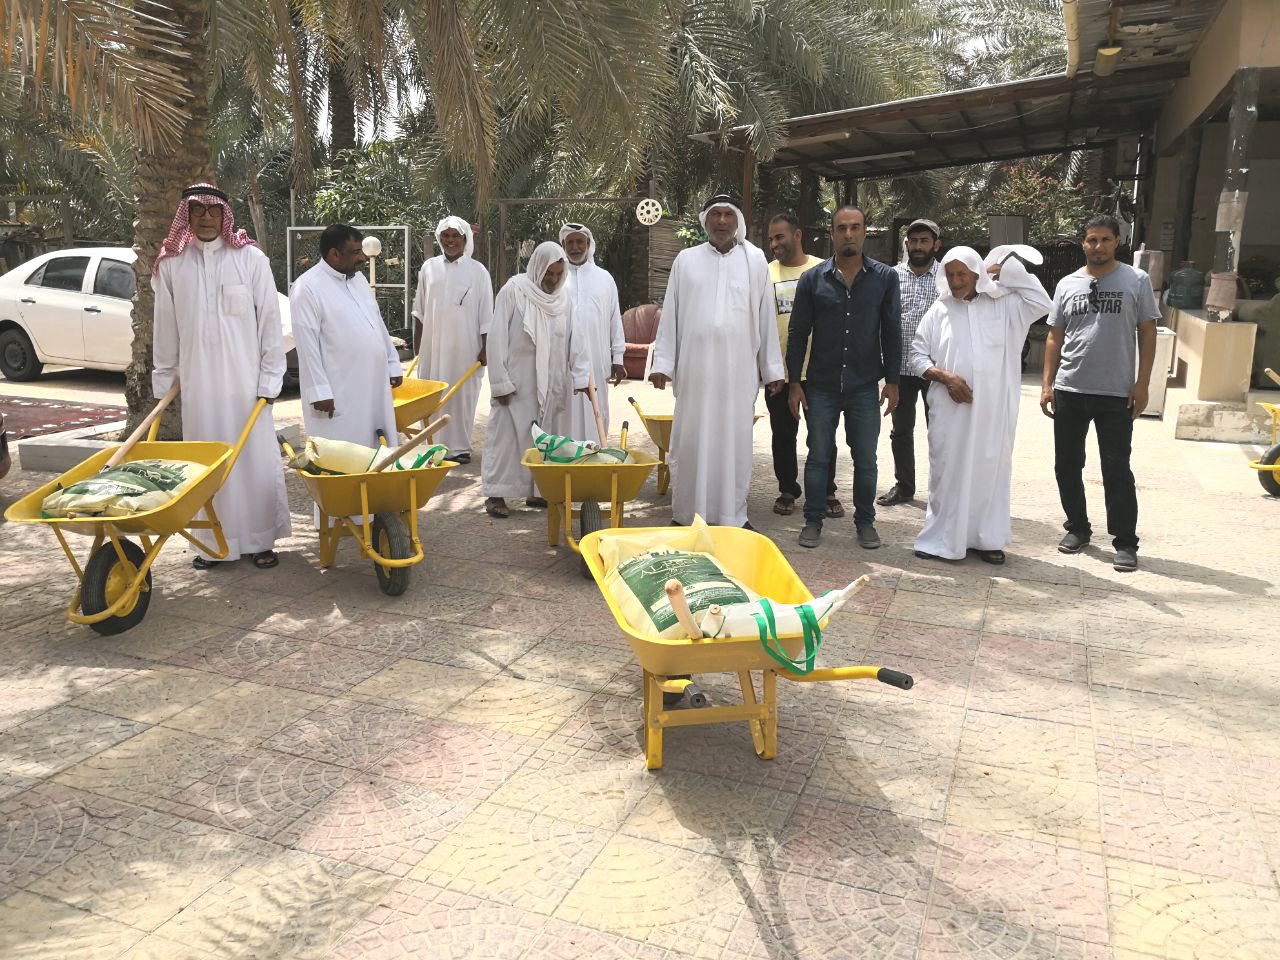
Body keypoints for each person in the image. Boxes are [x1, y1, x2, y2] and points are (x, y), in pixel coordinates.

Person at [151, 182, 290, 569]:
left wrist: (270, 381)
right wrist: (165, 386)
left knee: (253, 461)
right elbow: (165, 330)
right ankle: (211, 545)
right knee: (205, 466)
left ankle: (261, 541)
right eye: (198, 211)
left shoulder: (250, 259)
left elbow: (270, 323)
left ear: (224, 215)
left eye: (213, 211)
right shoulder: (172, 265)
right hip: (199, 391)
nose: (207, 218)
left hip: (247, 388)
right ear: (187, 216)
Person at [649, 194, 784, 528]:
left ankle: (732, 515)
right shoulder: (686, 260)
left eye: (728, 215)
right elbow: (671, 313)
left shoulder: (755, 260)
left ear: (737, 220)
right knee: (690, 441)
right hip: (694, 371)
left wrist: (772, 369)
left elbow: (765, 316)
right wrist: (662, 363)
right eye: (715, 215)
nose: (722, 221)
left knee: (733, 443)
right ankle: (686, 515)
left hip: (737, 372)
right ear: (705, 220)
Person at [909, 247, 1052, 564]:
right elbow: (916, 356)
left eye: (962, 274)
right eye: (950, 274)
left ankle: (987, 540)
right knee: (947, 473)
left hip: (992, 412)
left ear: (977, 274)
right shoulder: (940, 310)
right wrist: (945, 377)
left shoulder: (1005, 305)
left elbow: (1043, 302)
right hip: (950, 410)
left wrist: (1009, 273)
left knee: (989, 472)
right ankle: (939, 539)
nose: (956, 281)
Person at [1042, 213, 1159, 572]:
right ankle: (1077, 528)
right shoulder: (1067, 284)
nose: (1098, 246)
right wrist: (1047, 384)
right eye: (1092, 239)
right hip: (1070, 389)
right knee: (1067, 465)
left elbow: (1148, 332)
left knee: (1116, 468)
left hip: (1116, 393)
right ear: (1083, 243)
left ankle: (1125, 542)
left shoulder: (1136, 280)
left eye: (1105, 239)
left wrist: (1142, 383)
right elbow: (1054, 336)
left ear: (1117, 242)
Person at [788, 205, 900, 549]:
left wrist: (892, 381)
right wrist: (795, 383)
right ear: (832, 233)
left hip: (864, 386)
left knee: (866, 459)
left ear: (865, 231)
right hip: (821, 386)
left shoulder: (884, 278)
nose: (848, 234)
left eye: (855, 227)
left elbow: (891, 331)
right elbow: (798, 332)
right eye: (841, 228)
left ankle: (865, 522)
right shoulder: (812, 279)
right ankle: (813, 520)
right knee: (818, 456)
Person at [482, 241, 591, 518]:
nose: (552, 280)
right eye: (548, 273)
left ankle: (538, 491)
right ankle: (496, 493)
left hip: (552, 384)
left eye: (558, 274)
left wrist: (580, 377)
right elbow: (496, 338)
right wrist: (500, 383)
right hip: (516, 384)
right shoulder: (513, 291)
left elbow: (576, 340)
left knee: (545, 439)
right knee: (506, 438)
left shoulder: (564, 300)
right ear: (537, 268)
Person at [290, 224, 401, 454]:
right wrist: (319, 391)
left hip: (373, 384)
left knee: (376, 448)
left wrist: (392, 362)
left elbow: (377, 323)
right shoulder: (307, 287)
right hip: (339, 389)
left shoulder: (358, 280)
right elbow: (306, 345)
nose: (362, 258)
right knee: (344, 454)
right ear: (334, 254)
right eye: (356, 252)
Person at [765, 213, 841, 519]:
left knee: (823, 435)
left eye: (779, 237)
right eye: (771, 239)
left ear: (797, 235)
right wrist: (768, 369)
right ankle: (788, 489)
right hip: (780, 373)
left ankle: (827, 490)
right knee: (783, 435)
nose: (774, 244)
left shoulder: (824, 270)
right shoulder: (765, 274)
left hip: (819, 372)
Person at [411, 216, 494, 463]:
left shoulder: (478, 271)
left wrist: (486, 348)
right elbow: (420, 311)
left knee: (461, 398)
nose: (450, 241)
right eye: (445, 236)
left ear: (465, 239)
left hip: (465, 349)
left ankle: (459, 449)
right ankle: (432, 447)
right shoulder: (429, 268)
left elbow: (486, 315)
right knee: (432, 396)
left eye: (455, 236)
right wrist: (418, 349)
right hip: (432, 348)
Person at [879, 218, 942, 507]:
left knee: (939, 433)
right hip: (900, 369)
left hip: (935, 369)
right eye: (913, 241)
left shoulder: (947, 277)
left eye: (924, 241)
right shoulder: (891, 276)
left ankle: (942, 491)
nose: (918, 246)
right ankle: (904, 486)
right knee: (901, 431)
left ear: (936, 245)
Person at [559, 222, 627, 441]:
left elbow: (614, 319)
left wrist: (618, 358)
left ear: (589, 244)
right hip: (563, 361)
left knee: (596, 411)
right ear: (563, 246)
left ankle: (596, 451)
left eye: (580, 242)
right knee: (565, 412)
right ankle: (566, 455)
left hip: (597, 359)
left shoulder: (604, 278)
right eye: (570, 242)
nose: (575, 247)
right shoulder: (555, 277)